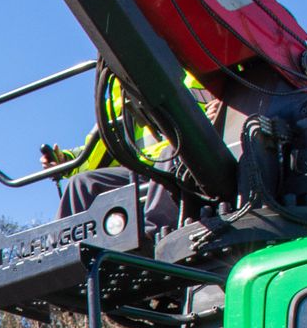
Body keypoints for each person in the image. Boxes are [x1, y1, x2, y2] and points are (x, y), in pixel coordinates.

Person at [43, 73, 213, 234]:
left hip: (192, 159)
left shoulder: (194, 66)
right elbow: (101, 147)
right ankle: (59, 253)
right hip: (144, 170)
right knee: (81, 184)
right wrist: (67, 160)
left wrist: (218, 113)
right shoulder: (122, 90)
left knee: (170, 154)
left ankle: (154, 235)